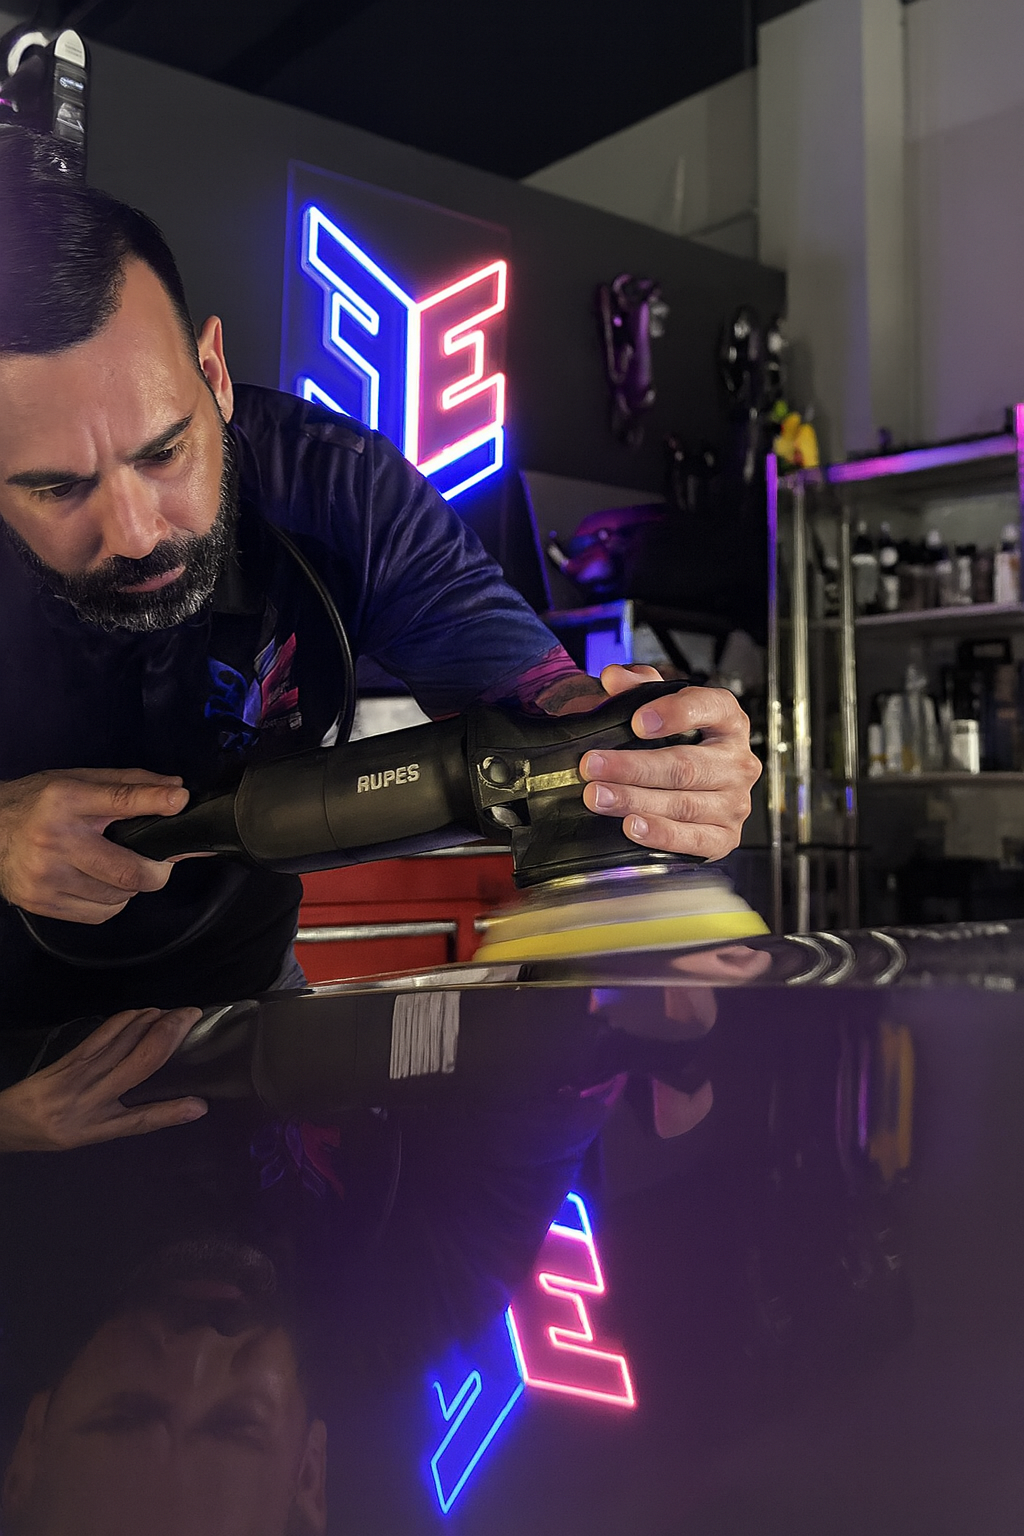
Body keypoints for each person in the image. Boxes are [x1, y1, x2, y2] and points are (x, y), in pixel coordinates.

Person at [0, 126, 760, 1145]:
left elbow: (538, 713)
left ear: (214, 372)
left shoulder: (335, 487)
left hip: (249, 1014)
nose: (135, 529)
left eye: (165, 450)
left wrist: (645, 753)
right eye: (57, 487)